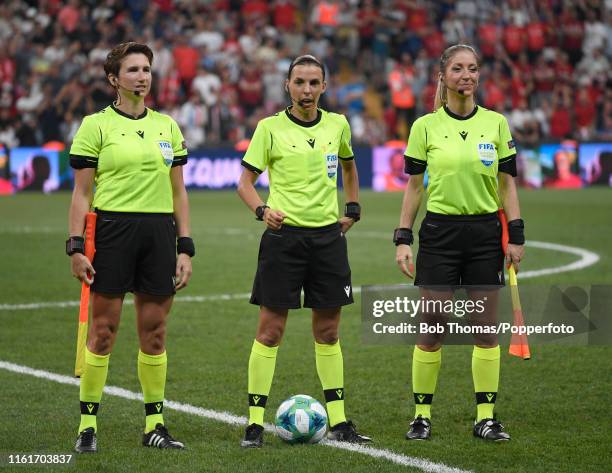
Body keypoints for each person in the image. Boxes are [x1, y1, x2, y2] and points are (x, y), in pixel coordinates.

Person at [237, 54, 371, 448]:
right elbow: (244, 182)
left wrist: (352, 207)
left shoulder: (337, 125)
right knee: (270, 330)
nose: (307, 90)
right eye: (300, 82)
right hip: (284, 241)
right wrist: (262, 210)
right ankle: (255, 424)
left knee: (328, 332)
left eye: (314, 83)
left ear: (324, 86)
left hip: (328, 241)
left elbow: (349, 166)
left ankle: (341, 421)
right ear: (287, 85)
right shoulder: (270, 129)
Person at [67, 42, 194, 453]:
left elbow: (179, 193)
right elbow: (82, 194)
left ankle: (154, 425)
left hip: (158, 234)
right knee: (103, 332)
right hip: (112, 232)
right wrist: (75, 247)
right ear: (114, 79)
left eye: (147, 69)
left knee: (155, 333)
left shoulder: (167, 127)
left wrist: (185, 246)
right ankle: (88, 426)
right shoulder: (95, 126)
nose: (143, 76)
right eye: (134, 70)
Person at [394, 44, 525, 442]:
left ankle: (485, 417)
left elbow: (507, 185)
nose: (465, 75)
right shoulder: (425, 127)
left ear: (479, 75)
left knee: (484, 330)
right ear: (443, 76)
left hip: (485, 235)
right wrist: (403, 237)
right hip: (440, 236)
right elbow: (414, 188)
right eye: (457, 69)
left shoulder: (496, 124)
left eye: (471, 69)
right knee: (432, 326)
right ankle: (421, 416)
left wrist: (515, 234)